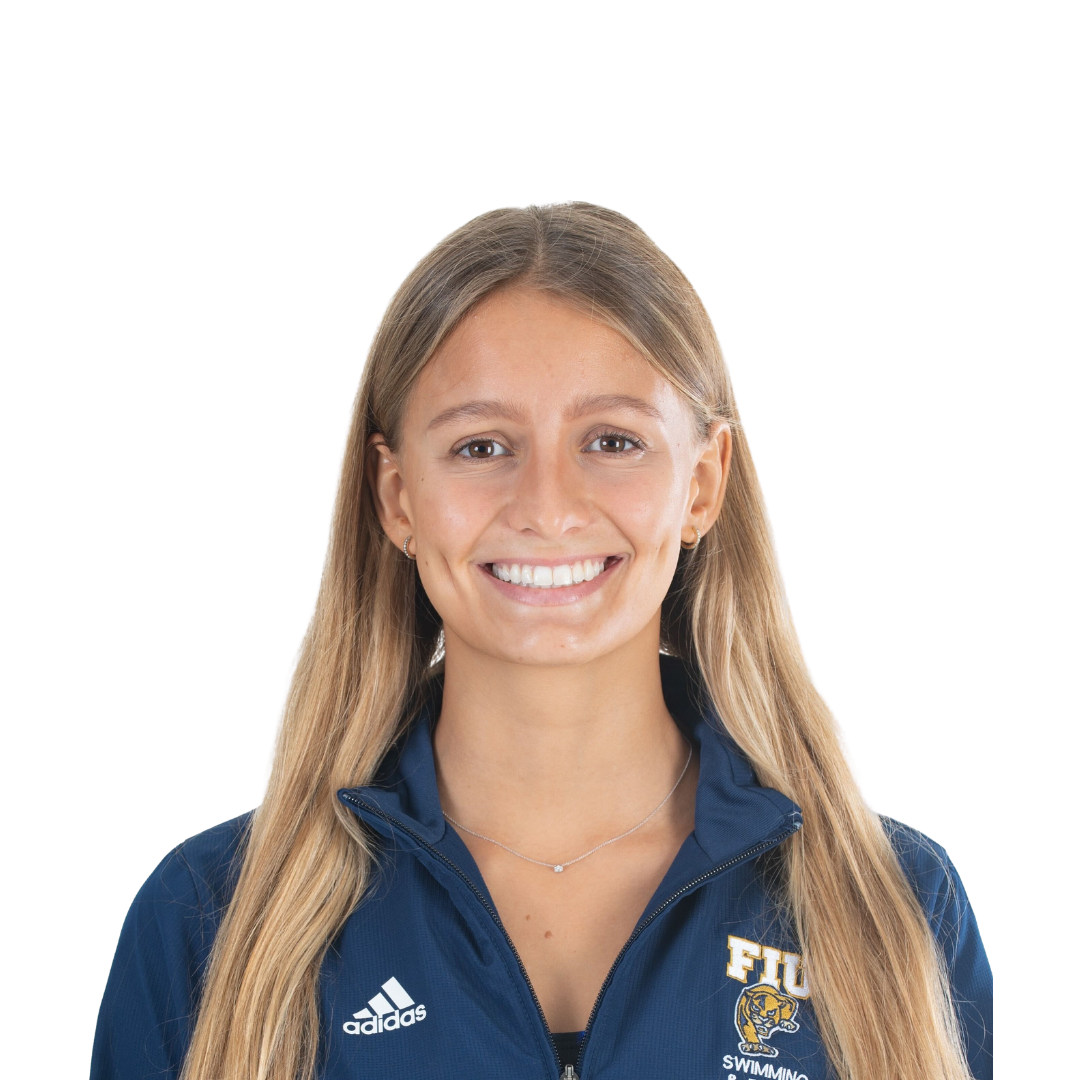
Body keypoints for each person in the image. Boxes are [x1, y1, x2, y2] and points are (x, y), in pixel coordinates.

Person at [91, 203, 992, 1080]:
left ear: (703, 484)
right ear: (396, 497)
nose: (548, 509)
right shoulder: (207, 917)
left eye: (613, 440)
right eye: (482, 447)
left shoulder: (896, 905)